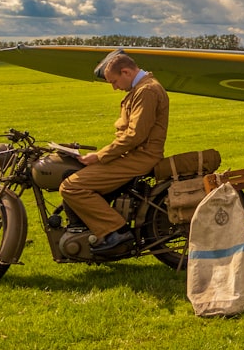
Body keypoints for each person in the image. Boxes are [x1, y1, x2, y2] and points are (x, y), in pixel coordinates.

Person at [60, 53, 170, 253]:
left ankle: (115, 232)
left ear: (126, 72)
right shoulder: (142, 88)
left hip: (140, 158)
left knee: (71, 187)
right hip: (133, 155)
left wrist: (100, 155)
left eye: (114, 81)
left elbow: (134, 136)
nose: (114, 87)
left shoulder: (147, 91)